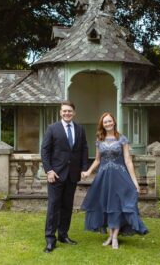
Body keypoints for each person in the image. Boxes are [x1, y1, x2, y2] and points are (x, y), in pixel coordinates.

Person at [81, 112, 148, 249]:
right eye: (105, 122)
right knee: (106, 205)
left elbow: (128, 160)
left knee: (117, 206)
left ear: (114, 122)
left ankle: (115, 237)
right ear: (102, 124)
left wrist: (135, 181)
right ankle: (110, 236)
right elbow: (98, 160)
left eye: (110, 121)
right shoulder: (99, 140)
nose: (108, 124)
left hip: (120, 177)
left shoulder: (122, 139)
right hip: (104, 177)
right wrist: (88, 171)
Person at [41, 101, 89, 253]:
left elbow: (84, 149)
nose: (67, 113)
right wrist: (49, 170)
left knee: (67, 206)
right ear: (60, 113)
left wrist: (83, 168)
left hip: (72, 175)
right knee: (54, 207)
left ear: (74, 112)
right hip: (55, 175)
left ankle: (63, 235)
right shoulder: (52, 128)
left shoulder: (80, 129)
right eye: (64, 111)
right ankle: (50, 239)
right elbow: (45, 151)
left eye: (69, 111)